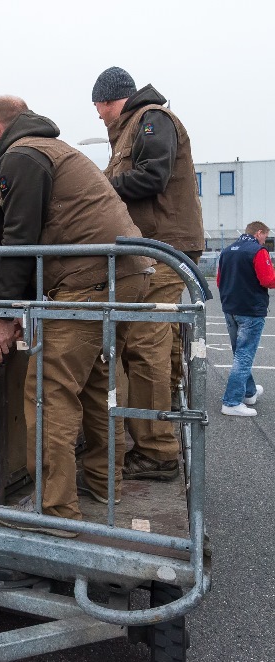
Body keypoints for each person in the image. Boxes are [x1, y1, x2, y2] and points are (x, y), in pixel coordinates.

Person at [0, 96, 153, 536]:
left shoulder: (22, 156)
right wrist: (23, 305)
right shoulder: (55, 149)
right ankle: (103, 484)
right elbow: (49, 234)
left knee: (48, 390)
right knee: (95, 382)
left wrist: (0, 313)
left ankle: (55, 513)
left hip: (90, 278)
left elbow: (21, 238)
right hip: (123, 272)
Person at [92, 66, 206, 481]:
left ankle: (157, 452)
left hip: (163, 249)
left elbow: (153, 176)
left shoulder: (151, 119)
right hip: (155, 249)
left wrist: (98, 190)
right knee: (156, 340)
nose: (99, 117)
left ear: (107, 100)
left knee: (144, 344)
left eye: (98, 108)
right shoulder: (137, 125)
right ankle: (160, 434)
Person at [217, 221, 275, 417]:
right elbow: (268, 280)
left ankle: (249, 392)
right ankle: (231, 402)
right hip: (250, 309)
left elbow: (219, 280)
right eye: (265, 236)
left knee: (240, 353)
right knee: (244, 355)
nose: (265, 241)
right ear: (259, 233)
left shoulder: (226, 251)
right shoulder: (258, 251)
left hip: (230, 307)